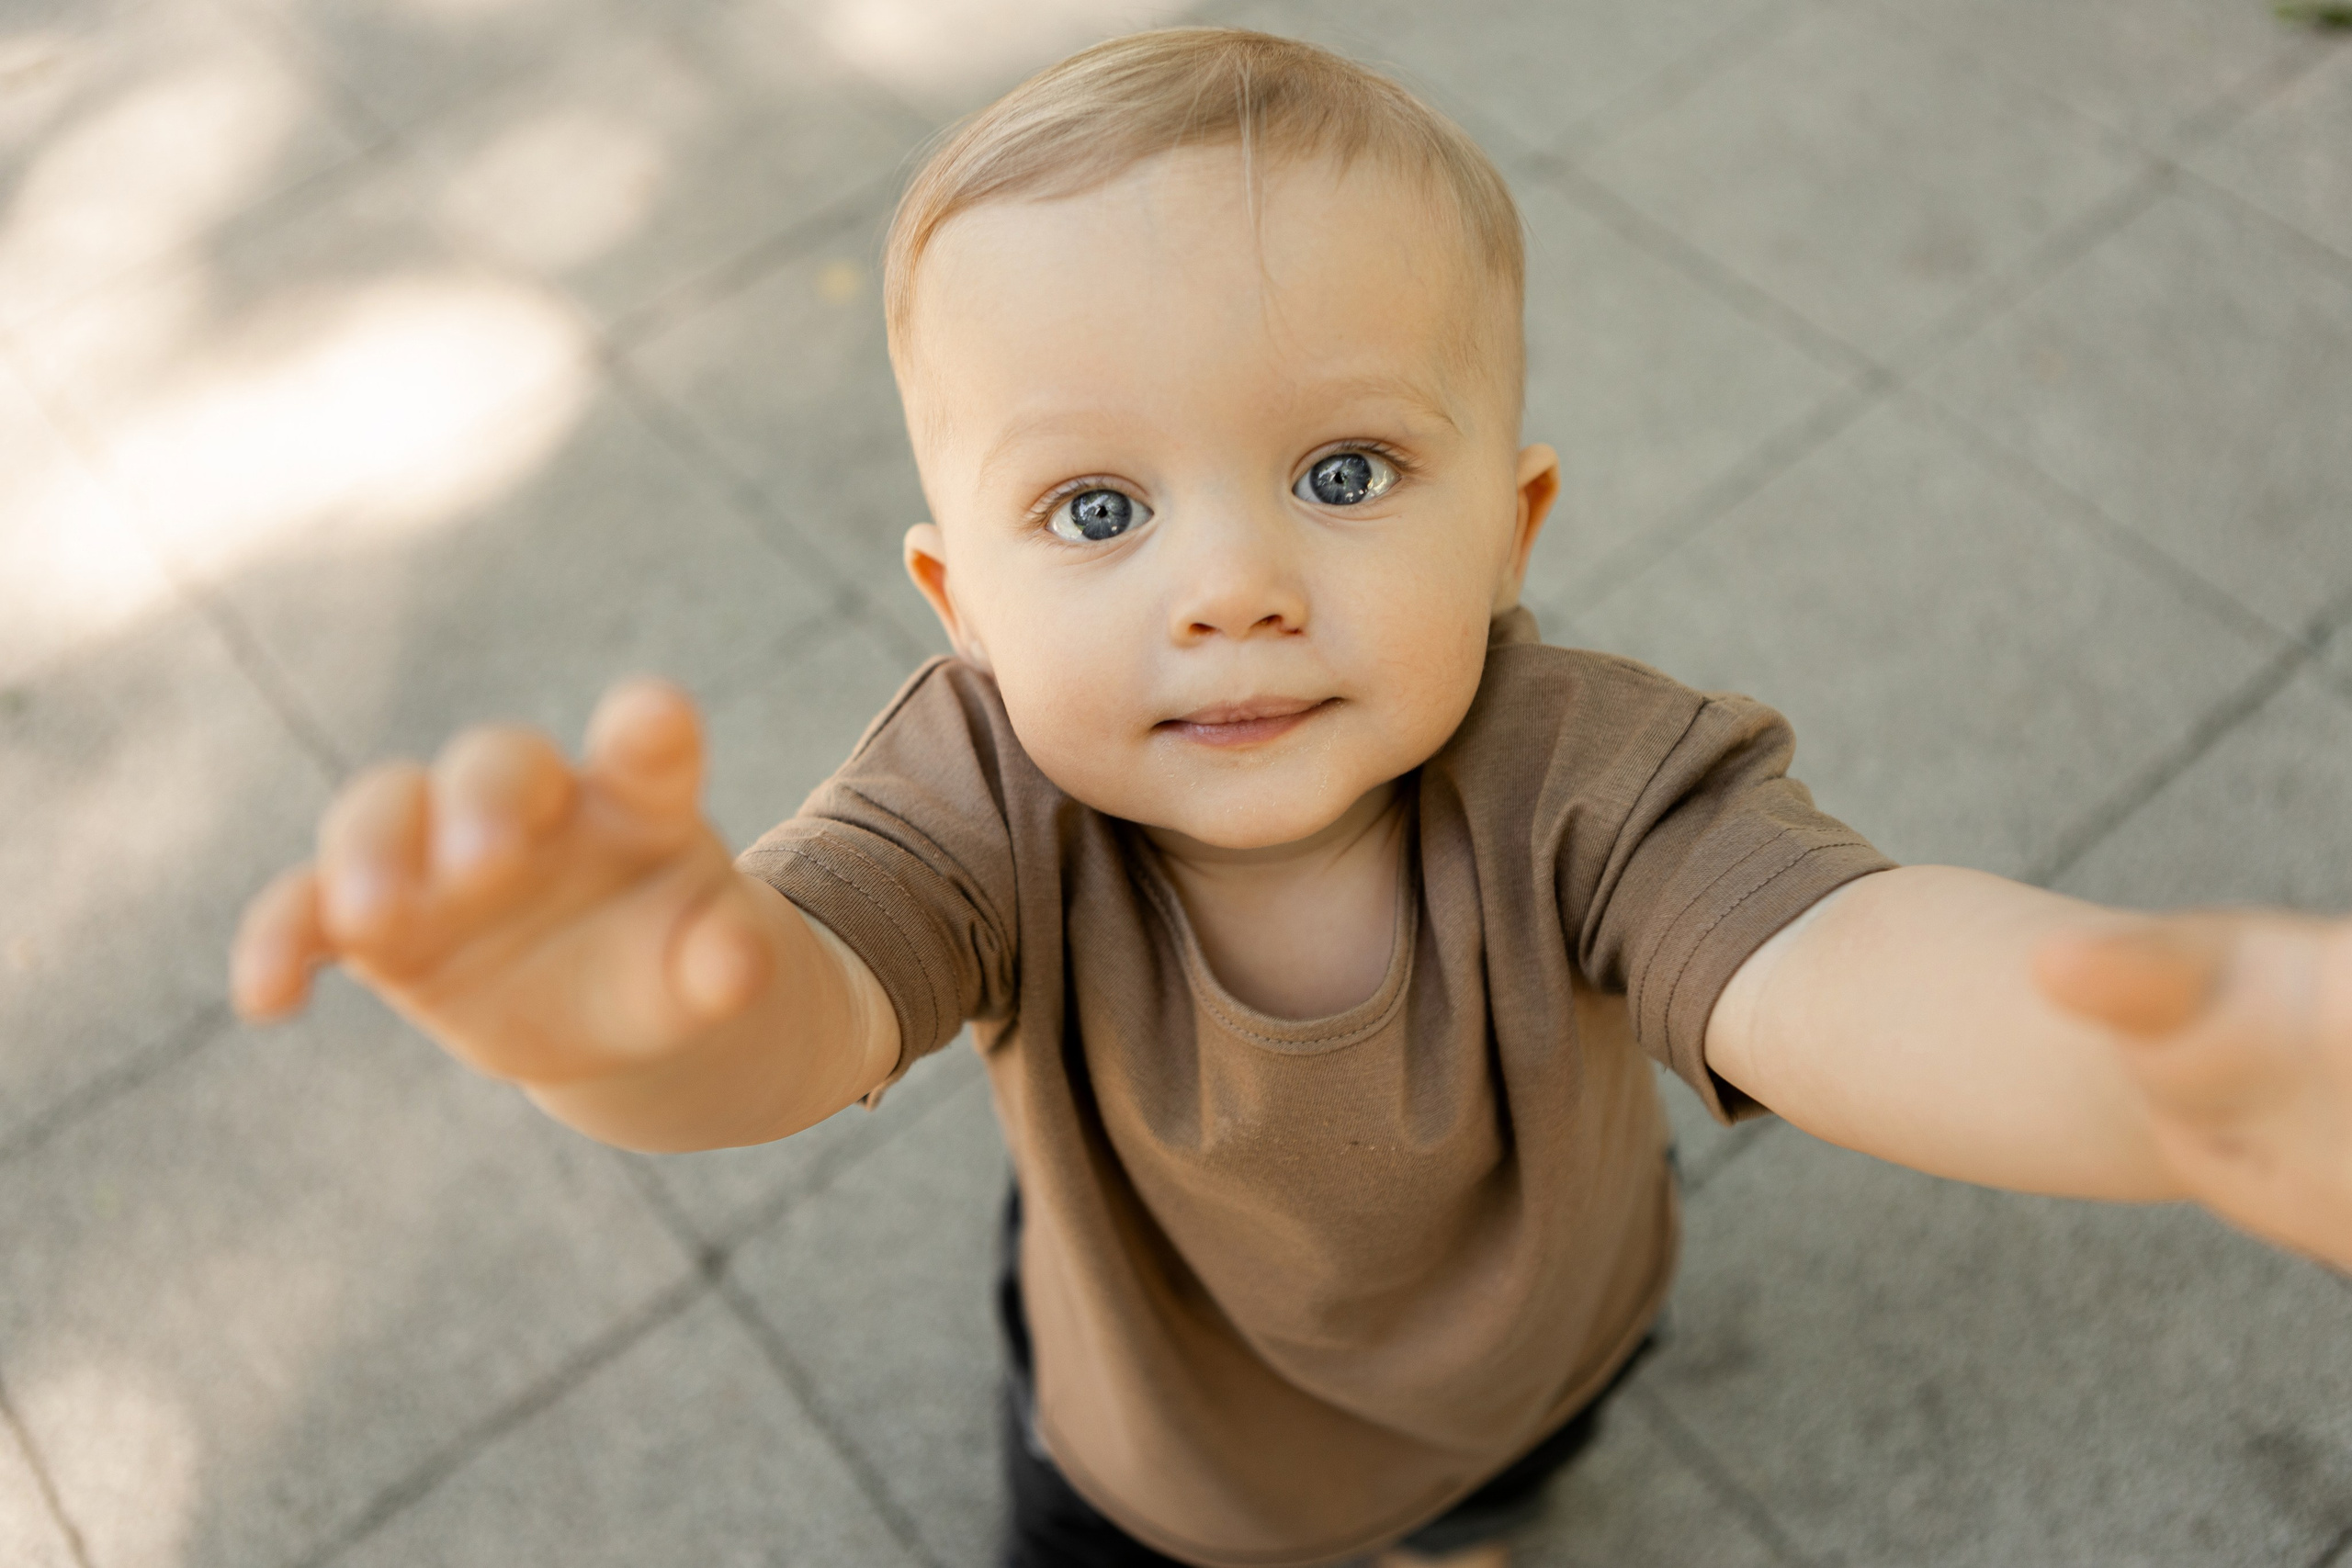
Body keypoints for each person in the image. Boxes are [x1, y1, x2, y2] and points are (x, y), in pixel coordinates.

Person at [227, 28, 2352, 1568]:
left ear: (1506, 526)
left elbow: (1842, 956)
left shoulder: (1587, 773)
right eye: (1094, 506)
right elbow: (793, 1009)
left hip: (1533, 1345)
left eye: (1342, 473)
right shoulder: (978, 796)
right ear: (957, 601)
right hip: (1155, 1454)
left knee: (1498, 1485)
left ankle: (1456, 1528)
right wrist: (640, 1029)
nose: (1232, 581)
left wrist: (2161, 1069)